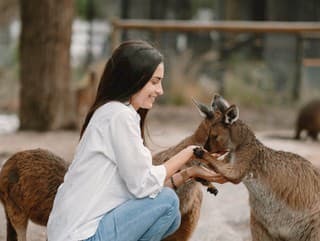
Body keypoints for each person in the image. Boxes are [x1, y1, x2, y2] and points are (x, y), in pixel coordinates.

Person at [47, 40, 226, 241]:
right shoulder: (118, 116)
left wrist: (189, 173)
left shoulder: (111, 112)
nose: (161, 90)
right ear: (133, 79)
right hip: (81, 236)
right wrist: (191, 153)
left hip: (76, 233)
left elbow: (138, 191)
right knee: (167, 204)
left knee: (172, 216)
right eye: (155, 81)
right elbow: (143, 186)